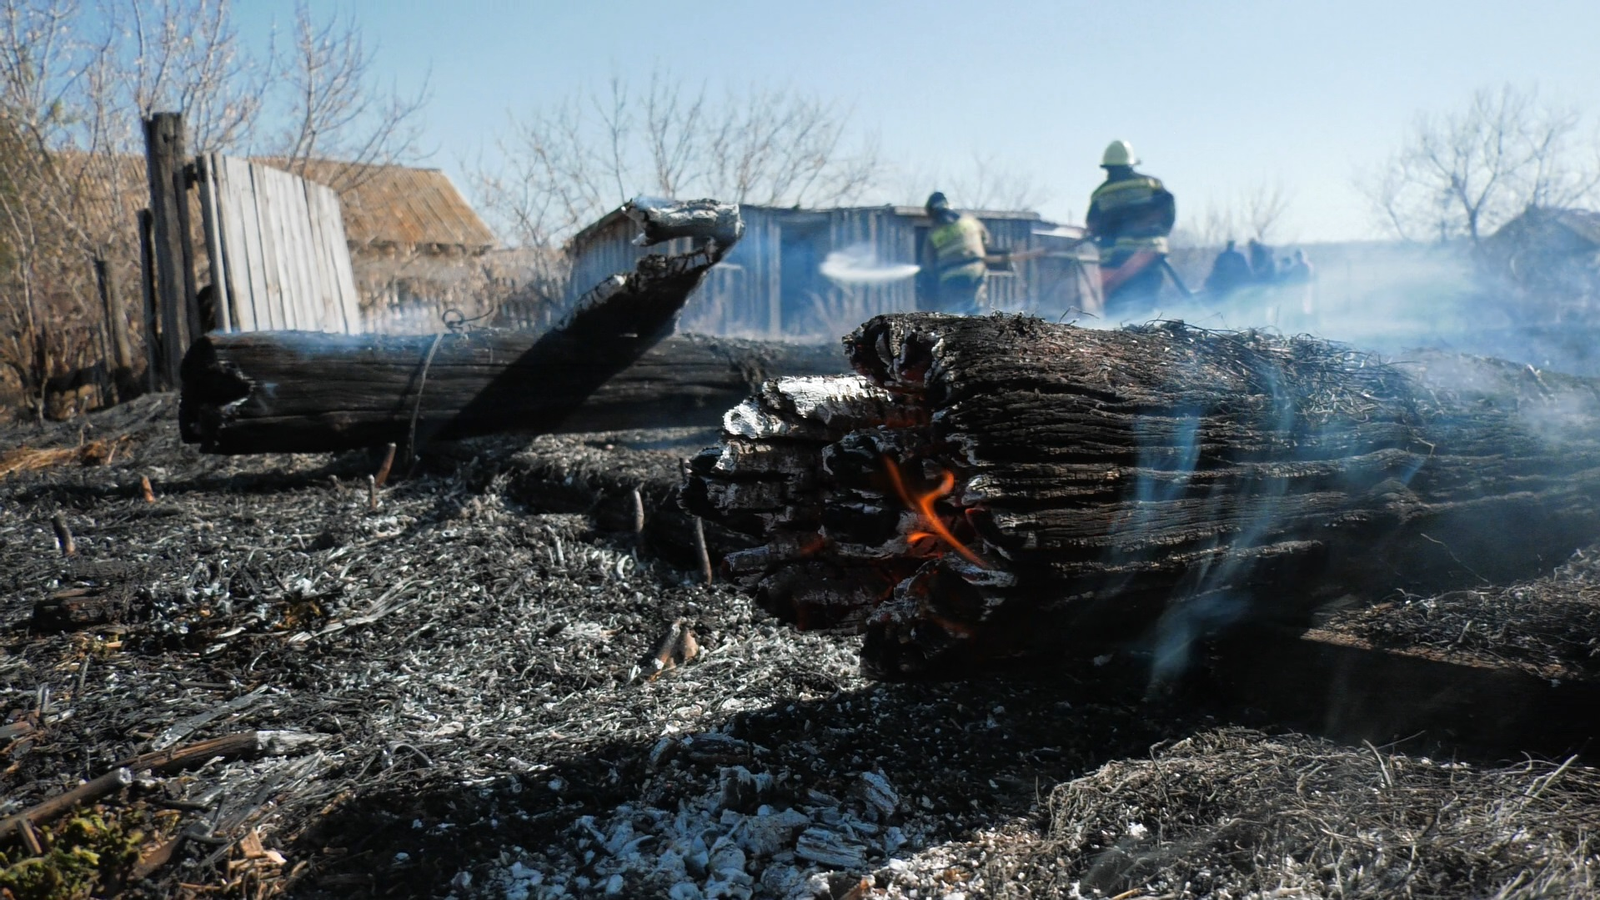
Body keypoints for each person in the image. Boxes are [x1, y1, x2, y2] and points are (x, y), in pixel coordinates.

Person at [1086, 140, 1176, 309]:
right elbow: (1167, 208)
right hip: (1151, 252)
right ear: (1131, 164)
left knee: (1117, 305)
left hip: (1117, 259)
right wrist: (1161, 234)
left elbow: (1093, 226)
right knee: (1147, 301)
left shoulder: (1100, 193)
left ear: (1107, 168)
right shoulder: (1151, 184)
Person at [921, 191, 992, 315]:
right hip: (976, 272)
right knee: (975, 310)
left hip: (950, 277)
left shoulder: (933, 234)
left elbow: (928, 264)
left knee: (952, 314)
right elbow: (987, 241)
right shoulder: (971, 222)